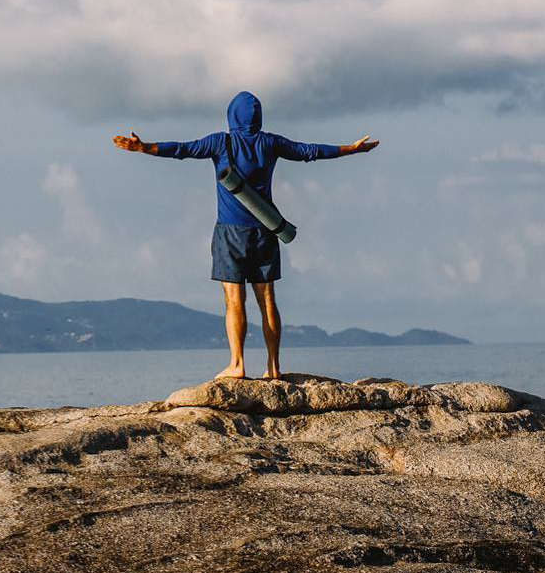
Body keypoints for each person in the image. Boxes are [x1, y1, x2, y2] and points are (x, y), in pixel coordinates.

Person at [112, 90, 378, 380]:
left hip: (230, 233)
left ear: (231, 116)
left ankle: (237, 365)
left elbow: (181, 150)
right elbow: (309, 152)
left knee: (234, 301)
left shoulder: (221, 141)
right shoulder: (270, 142)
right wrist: (351, 149)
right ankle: (273, 367)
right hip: (266, 229)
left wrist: (143, 148)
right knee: (267, 301)